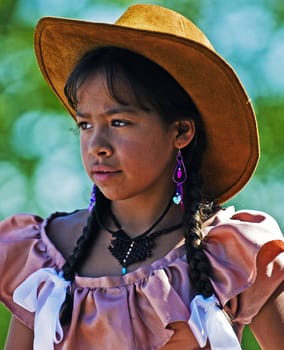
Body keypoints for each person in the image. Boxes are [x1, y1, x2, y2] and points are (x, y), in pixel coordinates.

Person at [0, 3, 283, 350]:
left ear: (181, 131)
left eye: (119, 122)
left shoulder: (235, 255)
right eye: (85, 125)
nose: (97, 146)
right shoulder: (44, 255)